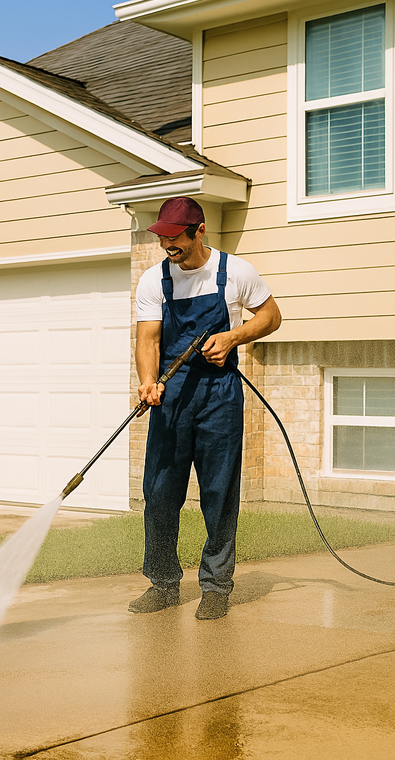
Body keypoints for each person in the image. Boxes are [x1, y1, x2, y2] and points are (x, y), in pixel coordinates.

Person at [129, 197, 281, 620]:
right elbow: (149, 340)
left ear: (199, 231)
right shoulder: (154, 280)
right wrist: (147, 380)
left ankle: (215, 587)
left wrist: (234, 337)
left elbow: (271, 316)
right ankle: (162, 584)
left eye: (175, 237)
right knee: (159, 495)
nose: (167, 246)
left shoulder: (236, 272)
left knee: (218, 494)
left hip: (219, 396)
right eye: (162, 237)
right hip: (171, 397)